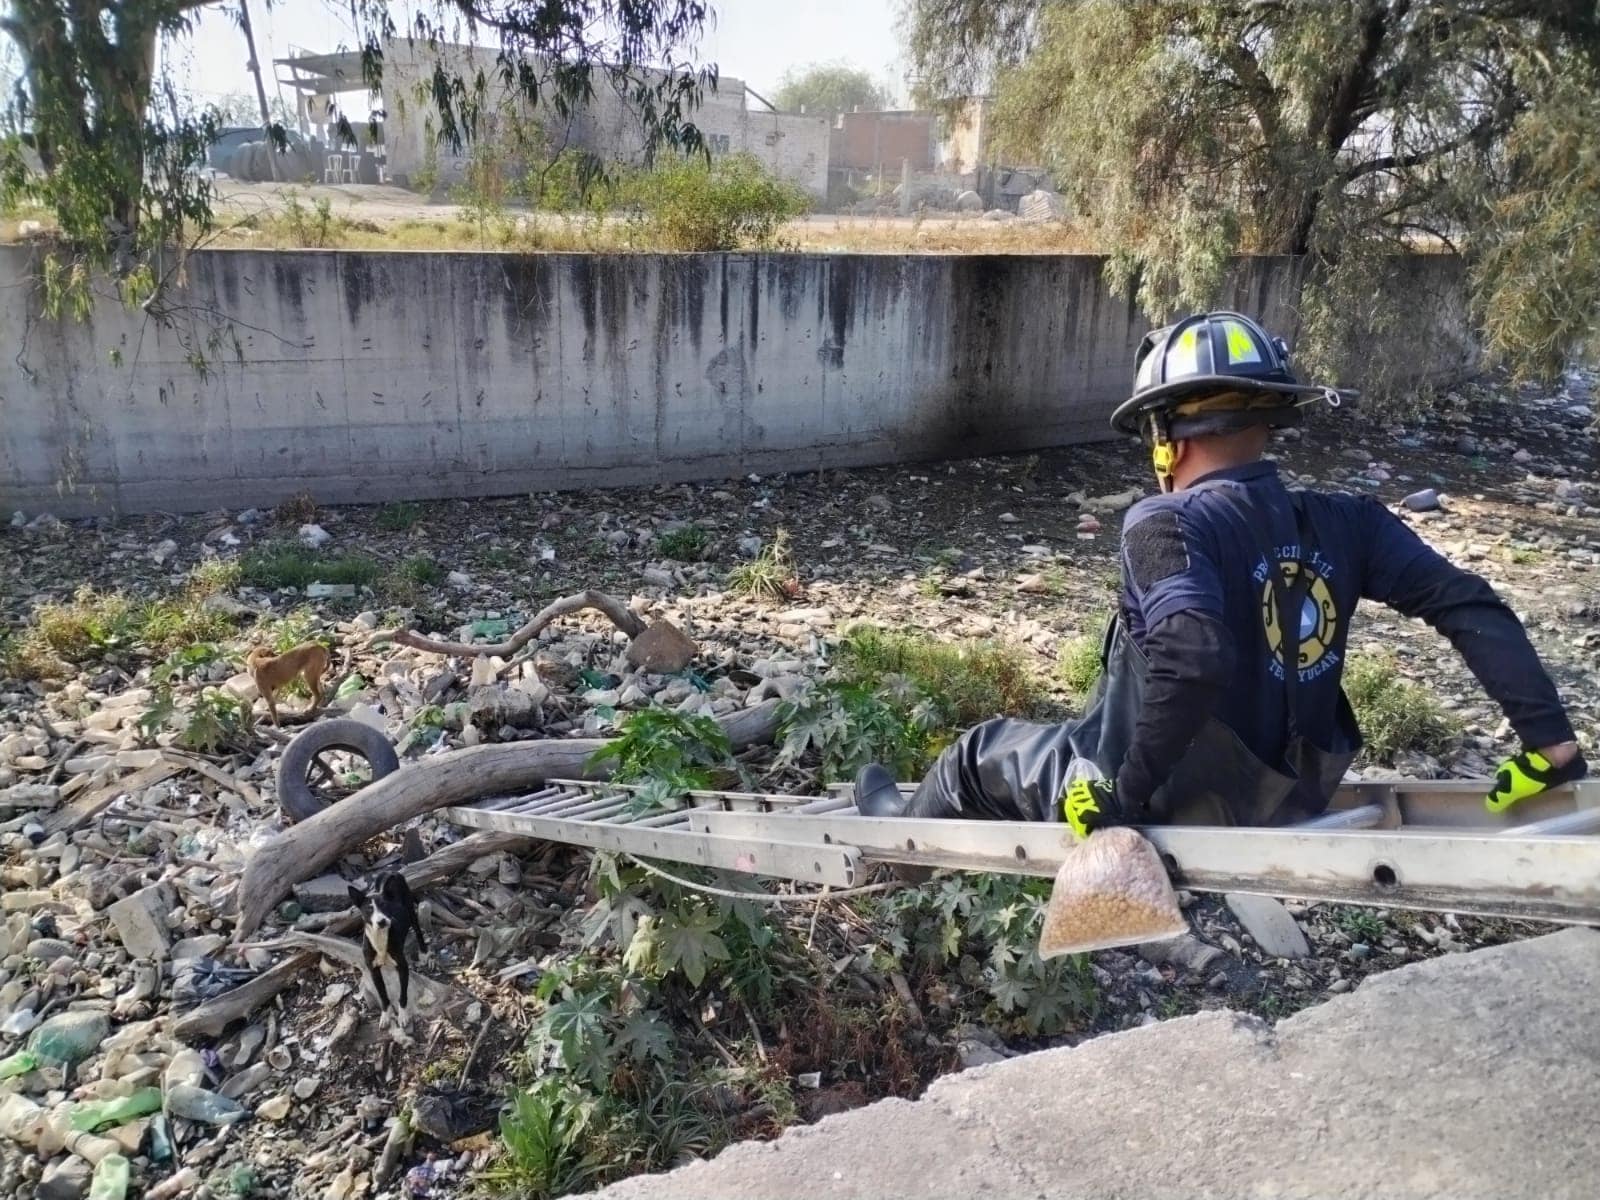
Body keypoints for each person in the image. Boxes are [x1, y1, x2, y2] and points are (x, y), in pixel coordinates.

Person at [854, 311, 1586, 835]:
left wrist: (1123, 793)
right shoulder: (1352, 521)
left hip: (1173, 794)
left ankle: (892, 839)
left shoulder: (1166, 522)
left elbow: (1195, 654)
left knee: (978, 754)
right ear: (1269, 419)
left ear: (1166, 433)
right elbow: (1469, 602)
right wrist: (1551, 742)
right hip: (1295, 789)